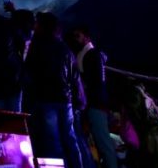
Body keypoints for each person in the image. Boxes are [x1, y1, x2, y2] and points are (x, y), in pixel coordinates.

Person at [23, 12, 84, 168]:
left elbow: (29, 75)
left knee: (53, 142)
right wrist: (78, 100)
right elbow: (75, 76)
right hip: (66, 101)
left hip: (45, 101)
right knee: (70, 140)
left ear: (41, 26)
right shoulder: (65, 48)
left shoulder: (36, 47)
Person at [68, 25, 118, 167]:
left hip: (95, 104)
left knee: (103, 144)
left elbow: (91, 82)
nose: (75, 39)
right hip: (96, 104)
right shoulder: (93, 54)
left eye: (78, 36)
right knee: (100, 143)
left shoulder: (90, 55)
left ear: (87, 37)